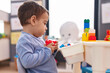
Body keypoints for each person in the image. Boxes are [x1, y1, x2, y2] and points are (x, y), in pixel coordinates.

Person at [16, 1, 58, 73]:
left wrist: (52, 50)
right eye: (44, 23)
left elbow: (43, 58)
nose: (46, 28)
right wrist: (47, 50)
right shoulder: (24, 41)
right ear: (33, 20)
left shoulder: (38, 39)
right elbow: (27, 62)